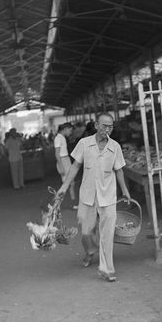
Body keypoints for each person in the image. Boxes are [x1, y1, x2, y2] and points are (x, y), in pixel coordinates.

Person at [57, 112, 131, 282]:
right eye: (104, 125)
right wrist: (64, 186)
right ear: (96, 125)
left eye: (111, 126)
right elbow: (75, 166)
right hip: (88, 194)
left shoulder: (115, 147)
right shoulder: (84, 143)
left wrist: (125, 189)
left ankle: (107, 269)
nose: (107, 129)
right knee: (85, 231)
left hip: (108, 195)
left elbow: (119, 170)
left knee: (107, 234)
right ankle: (90, 250)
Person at [54, 123, 78, 210]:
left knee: (70, 183)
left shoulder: (62, 137)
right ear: (65, 129)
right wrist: (60, 166)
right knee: (67, 184)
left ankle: (72, 203)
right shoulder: (58, 138)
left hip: (66, 160)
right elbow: (57, 153)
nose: (71, 132)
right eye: (70, 130)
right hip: (63, 161)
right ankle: (56, 204)